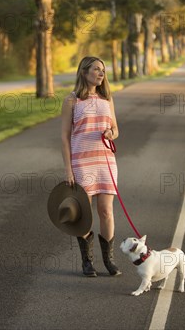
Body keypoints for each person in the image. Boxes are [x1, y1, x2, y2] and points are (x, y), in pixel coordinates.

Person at [61, 56, 121, 277]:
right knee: (84, 214)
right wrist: (68, 169)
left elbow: (115, 129)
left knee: (106, 210)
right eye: (96, 69)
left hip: (105, 161)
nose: (100, 73)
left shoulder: (107, 98)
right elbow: (65, 137)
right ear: (84, 72)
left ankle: (109, 260)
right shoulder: (72, 100)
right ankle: (88, 262)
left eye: (103, 70)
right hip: (82, 162)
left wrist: (110, 133)